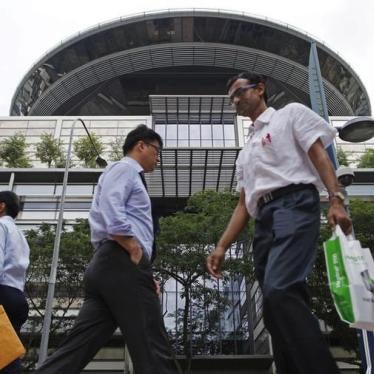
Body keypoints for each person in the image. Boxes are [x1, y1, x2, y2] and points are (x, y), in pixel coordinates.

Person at [206, 72, 352, 374]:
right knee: (274, 311)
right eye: (231, 97)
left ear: (260, 89)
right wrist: (221, 246)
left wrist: (336, 199)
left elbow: (319, 156)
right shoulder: (245, 152)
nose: (235, 100)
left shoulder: (290, 115)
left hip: (295, 204)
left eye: (239, 92)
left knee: (279, 289)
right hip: (264, 220)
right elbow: (242, 204)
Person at [35, 125, 176, 374]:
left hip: (109, 265)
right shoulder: (125, 169)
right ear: (140, 145)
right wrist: (133, 249)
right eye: (156, 150)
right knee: (153, 345)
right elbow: (113, 208)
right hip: (121, 259)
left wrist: (145, 271)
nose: (158, 157)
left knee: (76, 349)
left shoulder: (126, 173)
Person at [0, 191, 30, 374]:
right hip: (17, 297)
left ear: (1, 206)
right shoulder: (20, 235)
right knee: (7, 356)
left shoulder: (0, 226)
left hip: (2, 294)